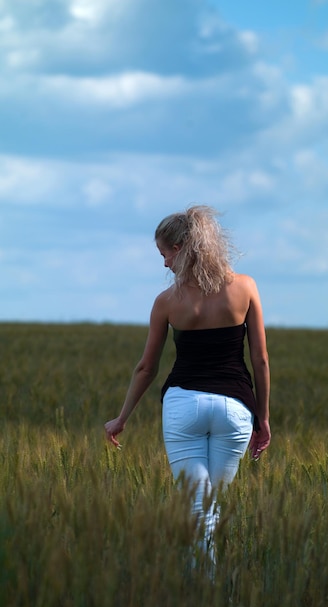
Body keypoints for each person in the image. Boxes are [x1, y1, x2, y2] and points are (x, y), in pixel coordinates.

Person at [104, 205, 270, 568]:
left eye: (164, 254)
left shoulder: (167, 302)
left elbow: (147, 367)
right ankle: (211, 596)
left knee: (198, 511)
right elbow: (260, 359)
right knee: (211, 510)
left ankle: (200, 594)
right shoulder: (245, 287)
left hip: (184, 406)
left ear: (179, 250)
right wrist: (264, 418)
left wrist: (122, 418)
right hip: (236, 409)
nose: (164, 264)